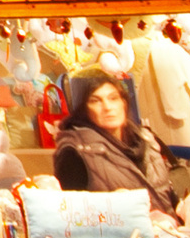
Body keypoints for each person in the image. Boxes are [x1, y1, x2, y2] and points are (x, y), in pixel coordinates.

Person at [51, 71, 176, 212]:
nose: (107, 107)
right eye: (95, 101)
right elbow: (73, 212)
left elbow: (167, 195)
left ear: (124, 102)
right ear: (83, 109)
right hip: (123, 233)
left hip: (170, 231)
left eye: (113, 98)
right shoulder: (75, 151)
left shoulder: (146, 140)